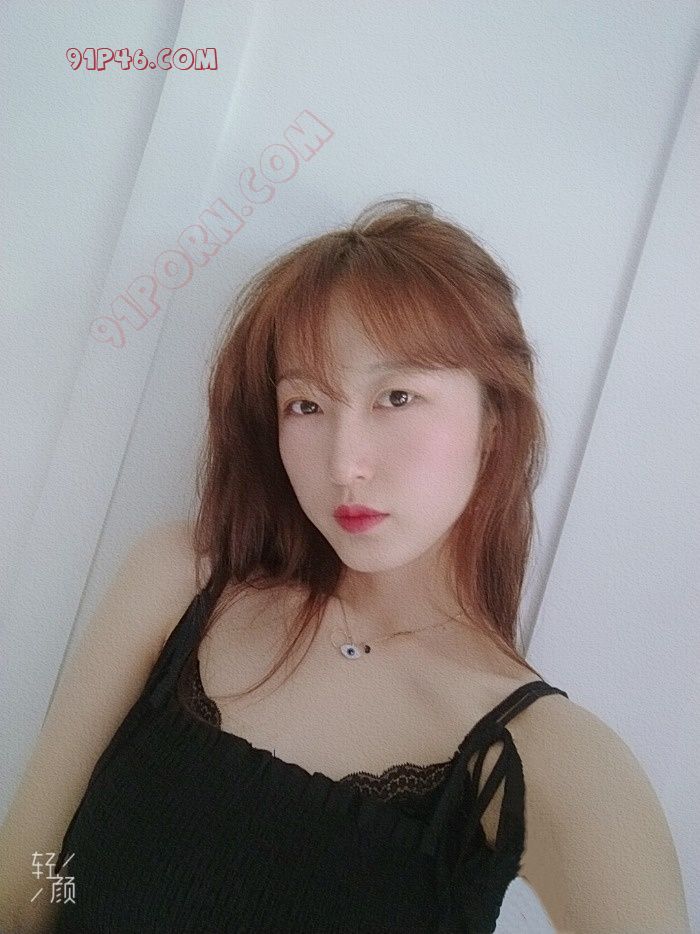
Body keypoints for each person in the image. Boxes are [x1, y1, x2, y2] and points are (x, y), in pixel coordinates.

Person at [0, 199, 689, 932]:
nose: (343, 463)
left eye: (396, 396)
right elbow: (31, 877)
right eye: (305, 405)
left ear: (494, 421)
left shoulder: (546, 758)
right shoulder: (179, 582)